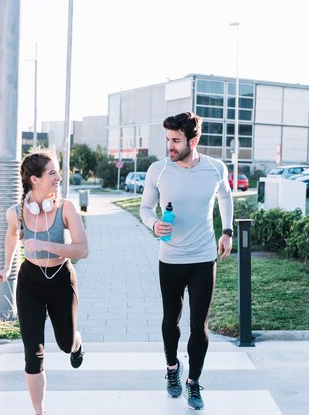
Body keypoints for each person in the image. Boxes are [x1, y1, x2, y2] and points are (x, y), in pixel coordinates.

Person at [140, 112, 234, 410]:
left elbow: (226, 196)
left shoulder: (214, 168)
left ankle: (193, 383)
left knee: (199, 325)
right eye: (168, 139)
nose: (170, 145)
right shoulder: (159, 170)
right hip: (170, 258)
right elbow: (145, 207)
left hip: (204, 258)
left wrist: (227, 231)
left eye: (176, 140)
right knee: (171, 320)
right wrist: (154, 225)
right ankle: (172, 369)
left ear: (193, 141)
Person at [0, 151, 88, 415]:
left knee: (65, 343)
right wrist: (6, 266)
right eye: (52, 173)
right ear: (34, 180)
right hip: (30, 282)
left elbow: (82, 250)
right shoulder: (16, 213)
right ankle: (40, 412)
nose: (59, 177)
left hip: (61, 279)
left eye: (58, 172)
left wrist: (47, 244)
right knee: (33, 354)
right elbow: (12, 236)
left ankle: (76, 343)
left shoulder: (65, 208)